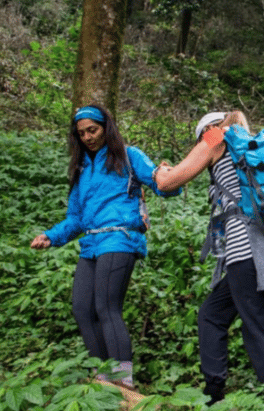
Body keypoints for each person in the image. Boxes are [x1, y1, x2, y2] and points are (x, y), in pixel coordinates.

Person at [155, 110, 264, 403]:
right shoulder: (256, 144)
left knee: (259, 326)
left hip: (244, 246)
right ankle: (213, 392)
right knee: (212, 315)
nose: (201, 143)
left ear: (210, 129)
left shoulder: (216, 137)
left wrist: (158, 172)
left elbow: (169, 182)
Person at [30, 104, 181, 390]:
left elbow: (162, 184)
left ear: (106, 127)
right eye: (82, 133)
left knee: (107, 307)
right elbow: (76, 218)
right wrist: (51, 236)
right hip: (92, 243)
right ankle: (104, 378)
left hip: (120, 237)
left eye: (93, 130)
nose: (88, 137)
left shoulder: (128, 155)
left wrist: (171, 177)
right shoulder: (82, 169)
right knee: (82, 309)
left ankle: (123, 381)